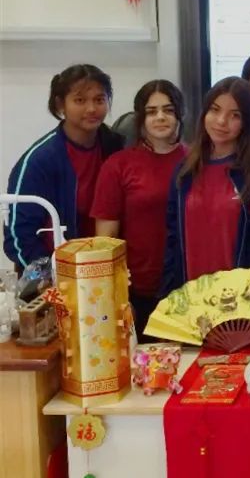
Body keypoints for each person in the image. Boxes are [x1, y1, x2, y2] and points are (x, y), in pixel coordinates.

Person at [160, 76, 250, 295]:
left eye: (235, 115)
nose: (221, 121)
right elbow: (172, 242)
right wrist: (168, 296)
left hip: (239, 300)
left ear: (246, 122)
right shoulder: (185, 170)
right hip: (190, 297)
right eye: (215, 110)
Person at [91, 80, 187, 336]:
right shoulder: (118, 165)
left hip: (189, 290)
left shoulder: (196, 161)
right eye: (151, 111)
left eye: (168, 110)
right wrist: (117, 296)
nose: (160, 117)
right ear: (140, 118)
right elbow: (105, 241)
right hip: (136, 292)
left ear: (180, 114)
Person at [4, 64, 124, 269]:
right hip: (55, 273)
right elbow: (18, 238)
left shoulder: (116, 146)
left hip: (103, 267)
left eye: (99, 100)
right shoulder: (39, 161)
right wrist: (54, 274)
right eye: (80, 100)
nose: (91, 109)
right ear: (61, 105)